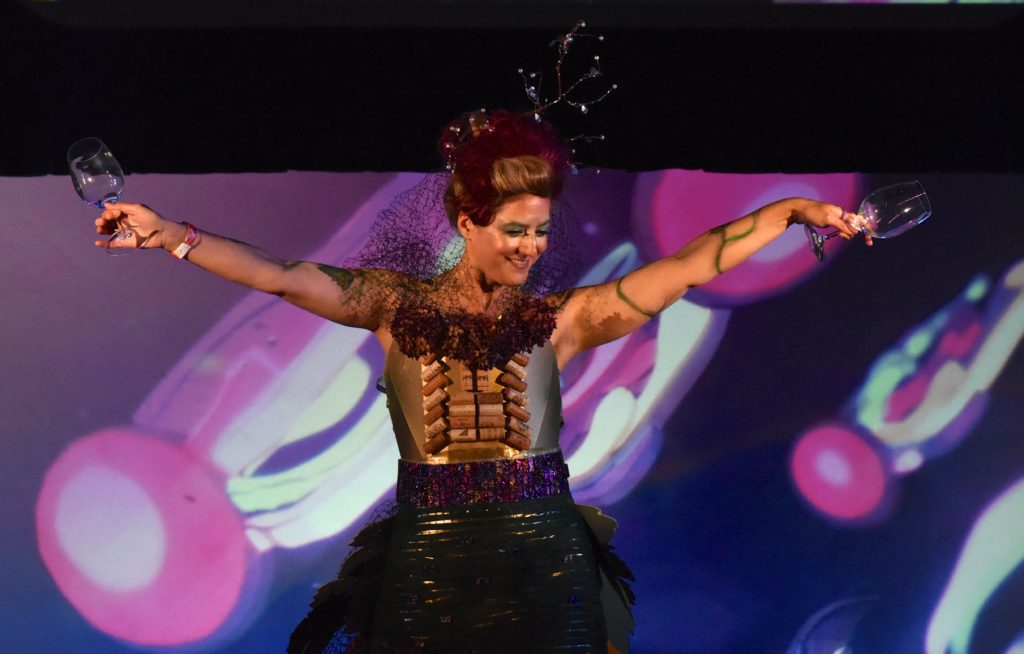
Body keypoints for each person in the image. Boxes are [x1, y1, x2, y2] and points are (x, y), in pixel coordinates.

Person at [95, 109, 866, 654]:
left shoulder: (551, 318)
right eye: (514, 230)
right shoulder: (412, 320)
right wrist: (173, 236)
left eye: (538, 232)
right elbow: (283, 276)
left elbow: (690, 266)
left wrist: (788, 211)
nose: (530, 248)